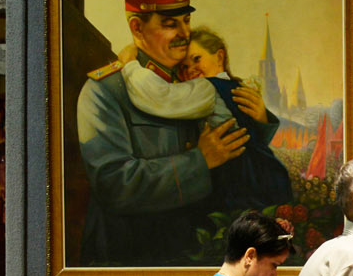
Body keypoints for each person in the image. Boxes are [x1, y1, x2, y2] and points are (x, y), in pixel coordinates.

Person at [75, 0, 252, 265]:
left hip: (197, 255)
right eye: (170, 24)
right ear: (137, 27)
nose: (184, 33)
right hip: (129, 260)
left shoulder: (195, 84)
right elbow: (113, 184)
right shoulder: (105, 90)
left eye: (186, 21)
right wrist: (199, 161)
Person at [122, 25, 294, 213]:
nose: (190, 69)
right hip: (266, 174)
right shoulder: (234, 86)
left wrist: (130, 65)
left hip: (239, 179)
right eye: (183, 67)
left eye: (196, 59)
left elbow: (158, 96)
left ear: (219, 57)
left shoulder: (206, 88)